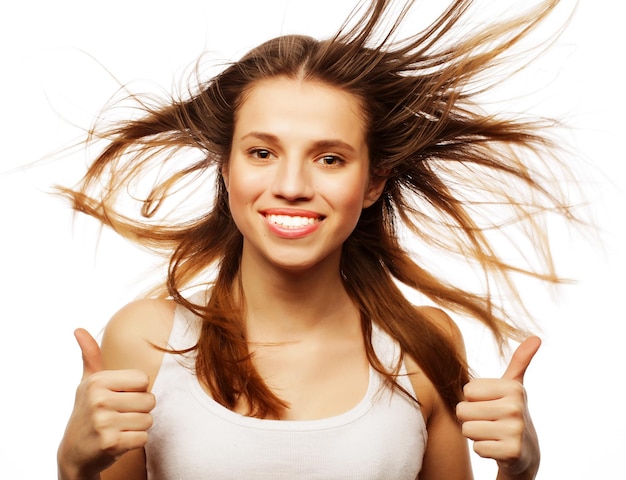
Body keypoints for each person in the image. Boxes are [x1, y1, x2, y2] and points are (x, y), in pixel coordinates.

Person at [56, 0, 576, 478]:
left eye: (330, 159)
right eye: (262, 153)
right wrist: (74, 468)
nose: (291, 187)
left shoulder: (422, 347)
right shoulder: (146, 342)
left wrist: (518, 472)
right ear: (226, 169)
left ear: (373, 181)